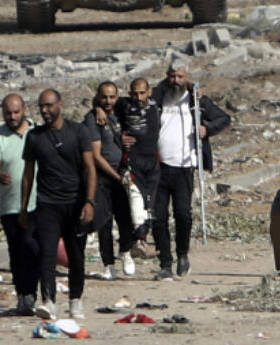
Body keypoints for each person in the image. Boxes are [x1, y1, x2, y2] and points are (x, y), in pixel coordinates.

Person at [20, 89, 97, 321]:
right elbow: (28, 173)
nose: (44, 111)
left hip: (74, 203)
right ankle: (49, 302)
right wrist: (24, 207)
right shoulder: (34, 137)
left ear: (60, 104)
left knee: (76, 254)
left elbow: (90, 168)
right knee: (47, 254)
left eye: (49, 106)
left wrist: (89, 202)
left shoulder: (78, 131)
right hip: (47, 204)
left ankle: (75, 300)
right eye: (41, 106)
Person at [151, 62, 230, 280]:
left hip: (185, 167)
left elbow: (224, 118)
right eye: (171, 76)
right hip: (159, 167)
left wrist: (206, 129)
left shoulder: (197, 101)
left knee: (183, 215)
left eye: (180, 76)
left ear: (187, 77)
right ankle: (165, 263)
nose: (175, 80)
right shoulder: (158, 98)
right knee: (158, 218)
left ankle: (182, 254)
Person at [0, 93, 39, 315]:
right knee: (16, 252)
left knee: (32, 246)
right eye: (8, 113)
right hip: (10, 206)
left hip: (36, 203)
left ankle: (33, 292)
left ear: (24, 109)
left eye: (17, 112)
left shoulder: (37, 132)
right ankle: (22, 296)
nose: (13, 116)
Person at [83, 81, 136, 279]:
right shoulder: (93, 119)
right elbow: (96, 155)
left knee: (126, 218)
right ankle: (108, 263)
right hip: (104, 177)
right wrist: (116, 176)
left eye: (112, 97)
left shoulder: (122, 112)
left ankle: (126, 252)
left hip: (124, 173)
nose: (108, 101)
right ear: (98, 96)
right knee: (104, 221)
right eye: (104, 97)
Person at [114, 77, 161, 247]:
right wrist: (119, 137)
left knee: (150, 202)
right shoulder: (124, 105)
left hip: (152, 162)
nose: (139, 97)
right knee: (135, 197)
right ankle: (138, 240)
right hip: (132, 161)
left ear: (149, 92)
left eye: (142, 93)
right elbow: (105, 102)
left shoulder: (157, 106)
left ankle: (143, 237)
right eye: (135, 93)